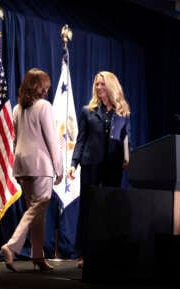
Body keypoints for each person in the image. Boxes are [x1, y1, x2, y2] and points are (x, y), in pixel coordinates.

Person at [0, 68, 63, 272]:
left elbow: (16, 138)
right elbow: (52, 140)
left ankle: (37, 256)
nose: (47, 89)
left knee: (37, 213)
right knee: (37, 208)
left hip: (22, 164)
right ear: (38, 86)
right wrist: (59, 167)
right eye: (45, 85)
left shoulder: (18, 108)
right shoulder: (44, 106)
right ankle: (12, 245)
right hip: (40, 164)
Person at [67, 71, 131, 268]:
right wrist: (73, 164)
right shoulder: (88, 111)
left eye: (102, 84)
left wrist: (128, 157)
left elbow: (127, 138)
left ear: (111, 86)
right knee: (88, 209)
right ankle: (84, 254)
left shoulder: (123, 113)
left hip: (113, 165)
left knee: (110, 209)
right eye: (96, 84)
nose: (99, 87)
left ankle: (108, 252)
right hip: (91, 164)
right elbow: (81, 140)